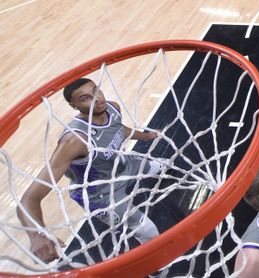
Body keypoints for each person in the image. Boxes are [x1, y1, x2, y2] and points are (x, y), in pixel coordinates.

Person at [17, 79, 162, 262]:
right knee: (148, 231)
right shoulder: (74, 140)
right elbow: (29, 199)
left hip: (122, 166)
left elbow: (119, 129)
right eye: (86, 98)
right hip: (99, 194)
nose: (97, 99)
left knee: (158, 166)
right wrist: (37, 235)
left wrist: (145, 136)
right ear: (74, 105)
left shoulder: (112, 108)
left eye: (96, 91)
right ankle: (158, 268)